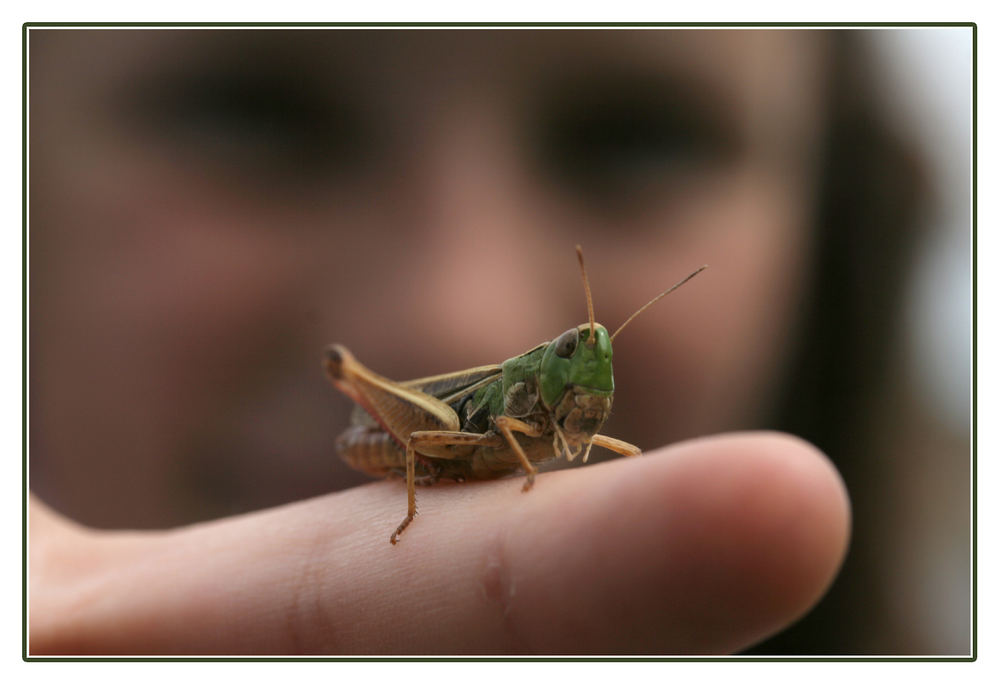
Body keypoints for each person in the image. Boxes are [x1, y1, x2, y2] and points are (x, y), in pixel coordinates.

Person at [27, 28, 964, 654]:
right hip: (411, 434)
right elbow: (495, 440)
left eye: (639, 140)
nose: (456, 314)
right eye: (254, 112)